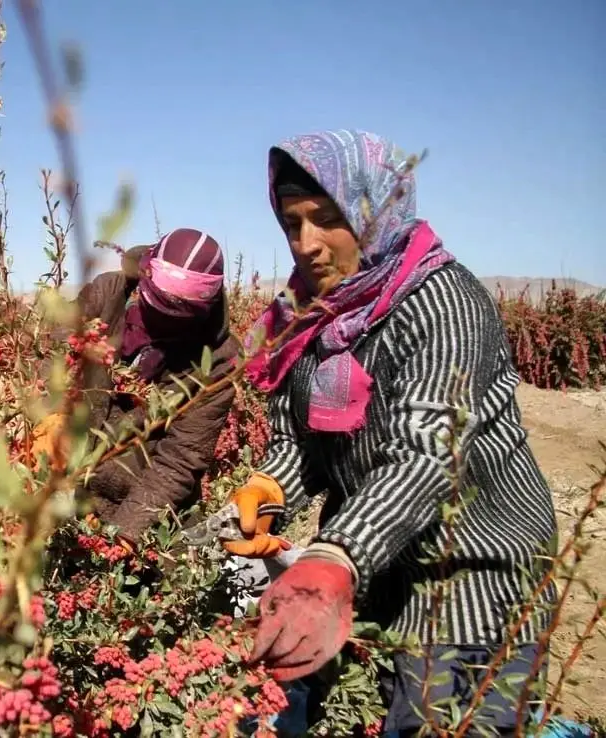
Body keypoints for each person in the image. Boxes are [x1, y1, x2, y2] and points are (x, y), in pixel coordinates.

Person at [224, 130, 557, 735]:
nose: (307, 244)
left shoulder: (444, 303)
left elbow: (426, 455)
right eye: (292, 223)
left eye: (327, 219)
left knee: (449, 716)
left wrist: (333, 557)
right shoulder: (309, 316)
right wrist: (270, 486)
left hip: (472, 566)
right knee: (363, 710)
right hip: (379, 566)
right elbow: (301, 443)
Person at [32, 228, 240, 546]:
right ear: (144, 277)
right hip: (67, 480)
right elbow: (56, 357)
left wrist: (124, 535)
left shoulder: (219, 362)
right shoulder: (108, 294)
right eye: (153, 307)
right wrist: (49, 419)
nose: (159, 324)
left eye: (175, 319)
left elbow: (180, 459)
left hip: (138, 499)